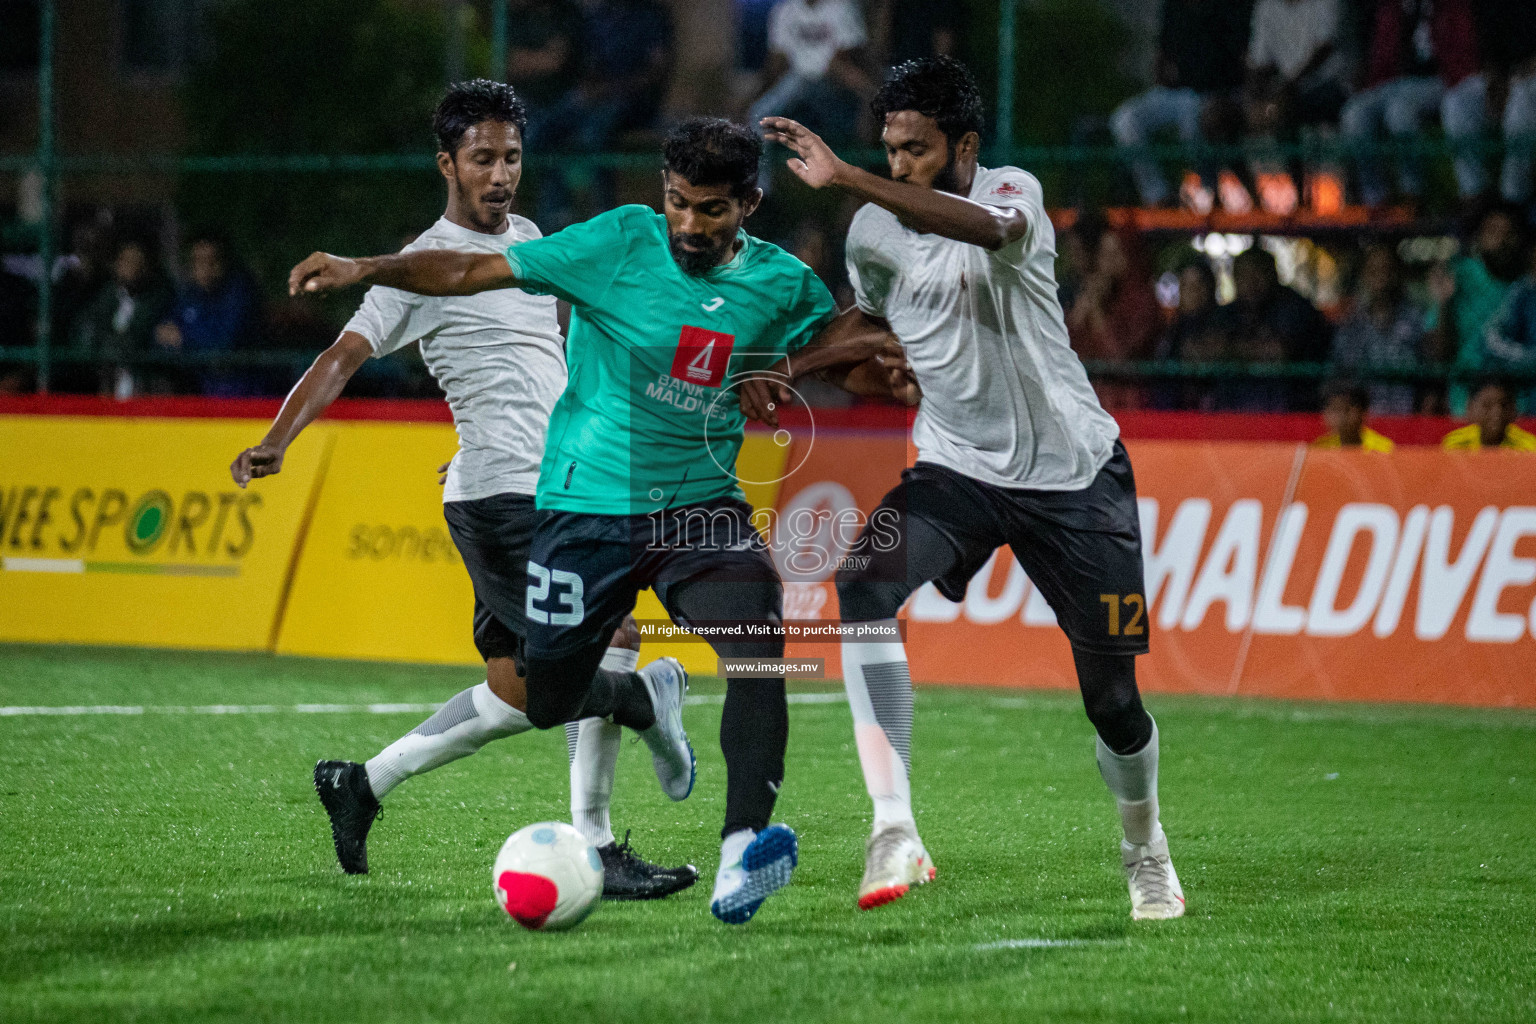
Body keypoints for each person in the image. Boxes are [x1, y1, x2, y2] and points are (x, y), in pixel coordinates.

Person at [286, 117, 897, 924]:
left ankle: (739, 851)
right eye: (677, 202)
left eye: (711, 210)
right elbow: (472, 271)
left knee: (757, 650)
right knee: (545, 699)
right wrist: (368, 266)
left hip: (698, 509)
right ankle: (645, 701)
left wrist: (793, 367)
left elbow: (857, 339)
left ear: (748, 203)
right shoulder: (617, 241)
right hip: (584, 508)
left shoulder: (782, 283)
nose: (688, 225)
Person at [230, 81, 695, 900]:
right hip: (506, 503)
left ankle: (361, 783)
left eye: (512, 156)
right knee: (604, 644)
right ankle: (613, 794)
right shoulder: (418, 269)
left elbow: (538, 357)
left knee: (519, 691)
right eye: (483, 158)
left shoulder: (526, 239)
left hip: (551, 484)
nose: (502, 173)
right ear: (447, 163)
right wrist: (278, 438)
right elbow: (341, 356)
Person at [754, 56, 1186, 921]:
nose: (900, 164)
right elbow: (873, 318)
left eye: (916, 150)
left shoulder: (1011, 194)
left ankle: (1146, 847)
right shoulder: (873, 233)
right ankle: (893, 828)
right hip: (957, 467)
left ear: (966, 146)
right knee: (863, 583)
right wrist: (788, 367)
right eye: (889, 149)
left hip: (1074, 477)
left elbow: (984, 233)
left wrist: (848, 175)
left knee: (1114, 700)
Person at [1109, 0, 1251, 209]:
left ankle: (1208, 192)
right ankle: (1157, 196)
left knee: (1194, 121)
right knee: (1125, 119)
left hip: (1213, 94)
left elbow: (1241, 58)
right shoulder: (1173, 6)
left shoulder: (1228, 8)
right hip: (1173, 93)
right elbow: (1163, 53)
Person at [1341, 0, 1480, 207]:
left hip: (1440, 79)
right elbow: (1383, 53)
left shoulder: (1449, 5)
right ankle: (1375, 198)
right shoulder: (1395, 7)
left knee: (1400, 111)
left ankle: (1412, 193)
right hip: (1395, 82)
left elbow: (1461, 51)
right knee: (1354, 114)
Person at [748, 0, 874, 159]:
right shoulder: (786, 10)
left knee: (862, 111)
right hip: (798, 79)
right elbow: (777, 60)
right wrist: (756, 94)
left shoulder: (841, 6)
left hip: (832, 81)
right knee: (759, 115)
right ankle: (759, 182)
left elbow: (847, 54)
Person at [1062, 218, 1160, 410]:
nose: (1105, 262)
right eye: (1103, 254)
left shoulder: (1142, 300)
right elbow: (1066, 347)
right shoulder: (1098, 291)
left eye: (1114, 254)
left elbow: (1118, 359)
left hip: (1129, 403)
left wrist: (1096, 310)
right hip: (1088, 399)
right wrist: (1083, 309)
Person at [1427, 202, 1529, 376]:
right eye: (1493, 231)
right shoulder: (1457, 276)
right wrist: (1443, 304)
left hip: (1520, 395)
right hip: (1467, 395)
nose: (1502, 240)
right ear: (1480, 237)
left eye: (1510, 233)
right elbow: (1438, 355)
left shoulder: (1528, 285)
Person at [155, 231, 259, 396]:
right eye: (197, 261)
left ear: (223, 262)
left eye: (211, 260)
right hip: (197, 388)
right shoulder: (189, 294)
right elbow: (164, 332)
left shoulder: (240, 293)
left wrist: (185, 338)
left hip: (238, 391)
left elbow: (225, 342)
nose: (204, 267)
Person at [1230, 246, 1332, 410]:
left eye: (1257, 273)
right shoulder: (1229, 312)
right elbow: (1199, 349)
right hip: (1235, 413)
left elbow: (1280, 351)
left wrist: (1229, 348)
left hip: (1293, 410)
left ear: (1274, 275)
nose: (1250, 282)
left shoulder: (1296, 307)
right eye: (1242, 275)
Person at [71, 237, 174, 398]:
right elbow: (87, 335)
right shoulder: (104, 297)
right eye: (126, 260)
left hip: (144, 385)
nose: (131, 267)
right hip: (105, 383)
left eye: (137, 262)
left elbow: (144, 335)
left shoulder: (159, 299)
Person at [1330, 243, 1424, 414]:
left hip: (1408, 418)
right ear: (1364, 275)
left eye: (1387, 270)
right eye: (1374, 271)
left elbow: (1431, 369)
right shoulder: (1351, 324)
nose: (1382, 278)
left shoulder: (1416, 319)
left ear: (1397, 274)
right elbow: (1339, 378)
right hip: (1363, 421)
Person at [1155, 256, 1235, 410]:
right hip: (1170, 411)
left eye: (1198, 285)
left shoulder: (1222, 321)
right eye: (1186, 285)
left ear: (1209, 288)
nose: (1192, 292)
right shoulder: (1174, 325)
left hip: (1211, 411)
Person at [1442, 377, 1536, 450]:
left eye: (1504, 405)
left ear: (1514, 409)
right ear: (1470, 408)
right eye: (1487, 405)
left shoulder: (1528, 447)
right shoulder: (1456, 445)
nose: (1497, 413)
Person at [1314, 380, 1396, 450]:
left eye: (1346, 409)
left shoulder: (1384, 449)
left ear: (1362, 412)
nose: (1341, 417)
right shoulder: (1319, 449)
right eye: (1335, 410)